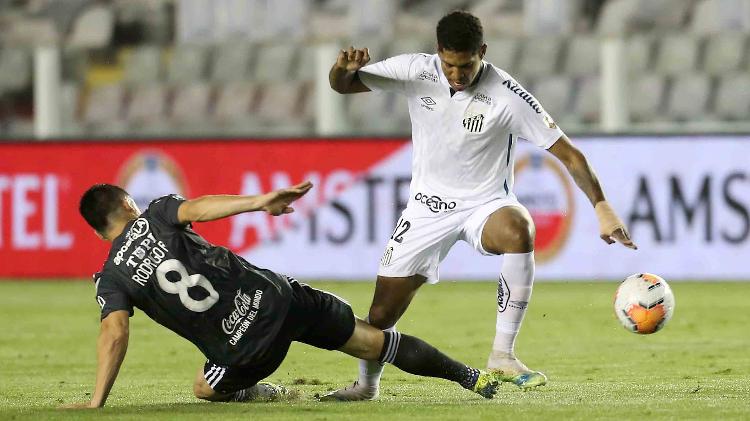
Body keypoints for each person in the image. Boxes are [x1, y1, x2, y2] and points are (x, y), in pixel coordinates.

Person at [325, 10, 637, 401]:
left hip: (484, 205)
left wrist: (601, 206)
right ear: (438, 52)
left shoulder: (507, 95)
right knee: (381, 316)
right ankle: (366, 386)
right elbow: (345, 86)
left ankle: (502, 355)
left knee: (518, 229)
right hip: (425, 210)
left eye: (467, 65)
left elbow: (570, 154)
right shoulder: (414, 70)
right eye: (450, 65)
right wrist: (342, 70)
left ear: (482, 52)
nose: (458, 74)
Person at [62, 182, 499, 409]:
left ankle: (260, 392)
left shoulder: (110, 278)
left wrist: (97, 400)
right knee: (376, 343)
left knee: (203, 388)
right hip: (279, 299)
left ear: (99, 229)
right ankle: (469, 376)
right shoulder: (157, 212)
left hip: (245, 351)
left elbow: (114, 333)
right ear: (126, 204)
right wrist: (259, 202)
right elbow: (200, 208)